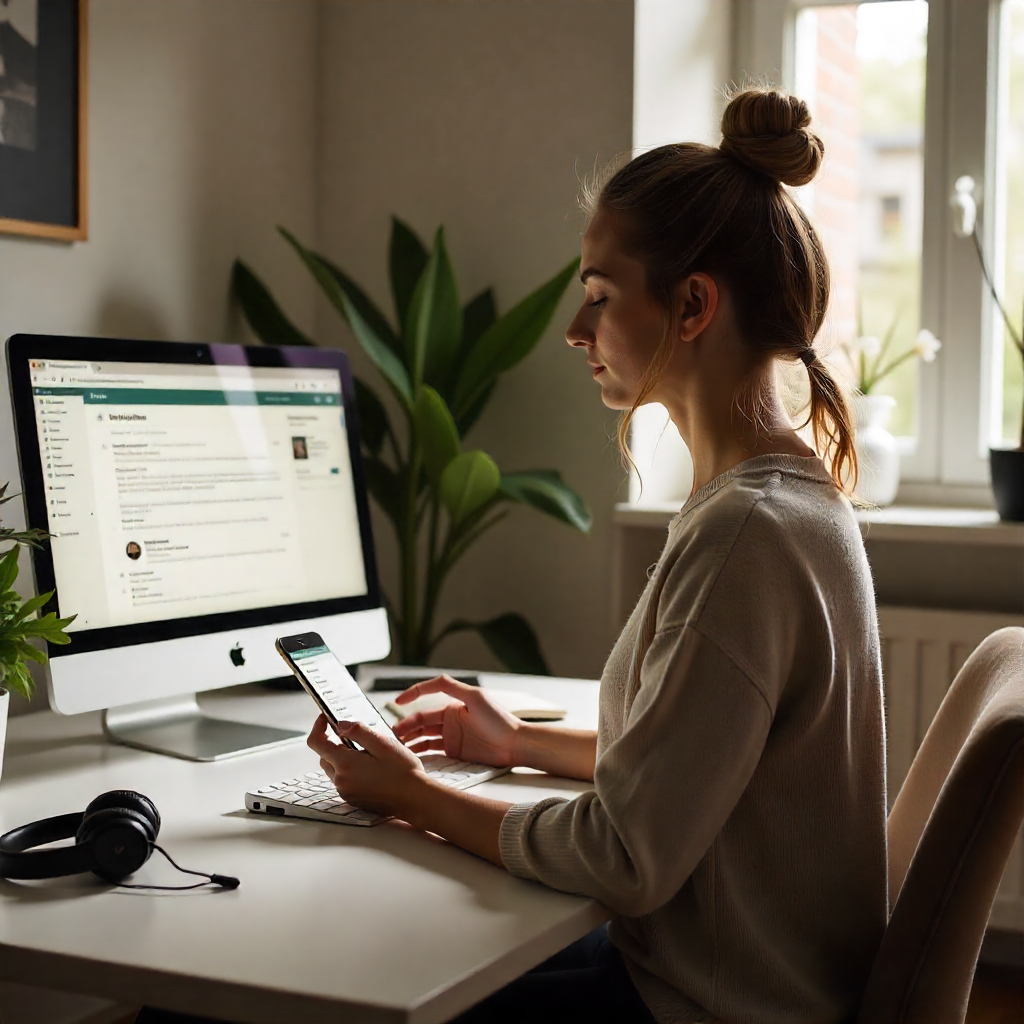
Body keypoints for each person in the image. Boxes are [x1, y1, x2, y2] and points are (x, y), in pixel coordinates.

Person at [136, 86, 887, 1024]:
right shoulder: (790, 502)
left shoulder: (746, 534)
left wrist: (410, 794)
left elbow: (626, 855)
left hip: (699, 1004)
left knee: (211, 1003)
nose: (576, 331)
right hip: (722, 978)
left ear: (693, 305)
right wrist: (517, 741)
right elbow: (696, 761)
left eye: (601, 298)